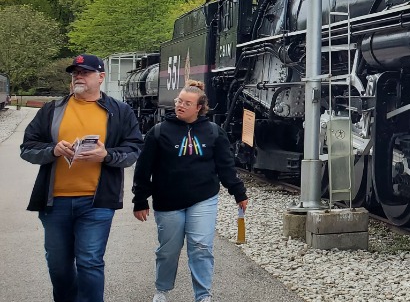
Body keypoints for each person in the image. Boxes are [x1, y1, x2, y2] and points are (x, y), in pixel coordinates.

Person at [20, 53, 144, 302]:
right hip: (55, 202)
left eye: (85, 72)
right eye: (75, 72)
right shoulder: (51, 110)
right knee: (58, 266)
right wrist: (52, 150)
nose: (78, 76)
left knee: (90, 262)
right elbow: (27, 148)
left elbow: (133, 150)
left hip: (96, 203)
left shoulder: (119, 111)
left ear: (100, 77)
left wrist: (106, 155)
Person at [132, 80, 248, 302]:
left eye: (187, 103)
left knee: (201, 247)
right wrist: (140, 200)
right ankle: (162, 290)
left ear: (199, 107)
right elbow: (143, 168)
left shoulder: (214, 132)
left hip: (203, 199)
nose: (180, 106)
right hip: (168, 201)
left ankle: (203, 295)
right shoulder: (158, 133)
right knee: (168, 250)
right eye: (178, 101)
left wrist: (239, 193)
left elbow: (226, 167)